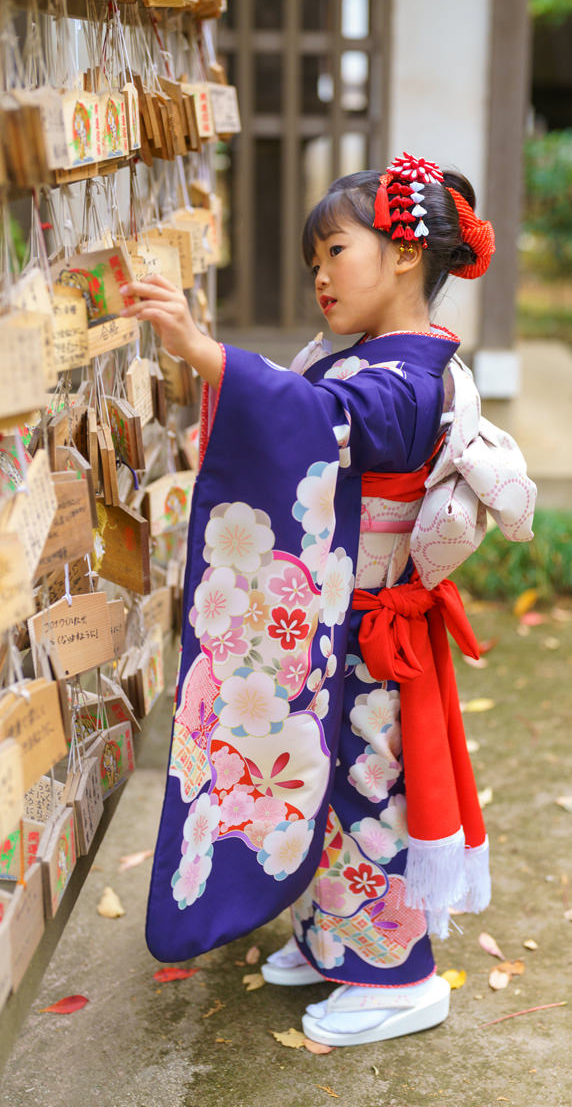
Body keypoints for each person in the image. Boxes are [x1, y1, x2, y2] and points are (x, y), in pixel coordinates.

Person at [121, 152, 536, 1047]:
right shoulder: (385, 361)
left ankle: (399, 977)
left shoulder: (407, 379)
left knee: (365, 790)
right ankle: (333, 936)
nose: (319, 274)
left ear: (398, 256)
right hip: (353, 619)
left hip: (373, 631)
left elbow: (324, 426)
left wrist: (207, 354)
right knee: (328, 780)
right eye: (315, 259)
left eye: (334, 251)